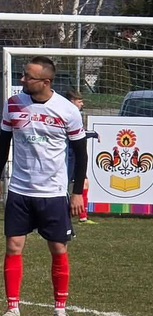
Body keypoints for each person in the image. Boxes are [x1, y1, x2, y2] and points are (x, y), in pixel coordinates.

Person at [0, 56, 86, 316]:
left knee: (58, 247)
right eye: (23, 74)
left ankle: (60, 309)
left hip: (53, 192)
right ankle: (12, 308)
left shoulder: (68, 110)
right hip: (20, 190)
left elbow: (81, 153)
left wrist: (77, 192)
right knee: (13, 246)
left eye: (28, 77)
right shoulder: (13, 104)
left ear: (45, 81)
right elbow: (3, 143)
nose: (22, 80)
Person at [65, 89, 98, 225]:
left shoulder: (75, 114)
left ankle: (82, 216)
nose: (82, 104)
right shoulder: (67, 114)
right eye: (79, 101)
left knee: (84, 182)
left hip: (75, 156)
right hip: (68, 157)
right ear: (72, 102)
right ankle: (64, 216)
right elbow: (75, 134)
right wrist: (93, 134)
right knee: (64, 187)